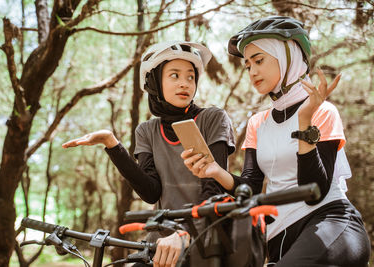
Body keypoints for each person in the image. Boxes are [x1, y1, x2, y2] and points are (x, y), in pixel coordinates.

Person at [181, 16, 371, 266]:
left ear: (287, 56)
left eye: (259, 60)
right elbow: (249, 187)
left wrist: (305, 122)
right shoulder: (258, 123)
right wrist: (215, 172)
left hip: (330, 222)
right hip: (279, 237)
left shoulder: (322, 112)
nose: (252, 71)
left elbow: (315, 191)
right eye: (248, 65)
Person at [62, 41, 236, 266]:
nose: (185, 83)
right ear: (154, 83)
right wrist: (112, 144)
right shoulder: (147, 130)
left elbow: (215, 189)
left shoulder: (212, 118)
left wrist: (185, 231)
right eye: (174, 75)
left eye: (190, 77)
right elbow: (151, 192)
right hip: (161, 241)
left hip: (206, 238)